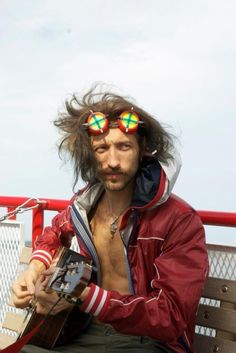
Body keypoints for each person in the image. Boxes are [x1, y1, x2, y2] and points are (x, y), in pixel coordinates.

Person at [12, 87, 208, 353]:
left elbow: (171, 316)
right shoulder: (84, 207)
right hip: (85, 330)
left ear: (143, 150)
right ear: (89, 156)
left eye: (124, 146)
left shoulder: (179, 219)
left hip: (150, 342)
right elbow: (53, 233)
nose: (112, 161)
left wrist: (81, 295)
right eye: (101, 149)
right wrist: (34, 269)